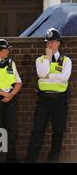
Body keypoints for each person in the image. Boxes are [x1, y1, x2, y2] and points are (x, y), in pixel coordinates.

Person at [25, 28, 72, 163]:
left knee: (58, 132)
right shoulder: (40, 60)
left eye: (51, 42)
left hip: (60, 101)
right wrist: (47, 58)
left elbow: (64, 78)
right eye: (47, 42)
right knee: (37, 131)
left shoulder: (66, 60)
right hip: (43, 101)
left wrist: (49, 76)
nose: (49, 45)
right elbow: (41, 73)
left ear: (58, 43)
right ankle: (30, 160)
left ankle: (53, 160)